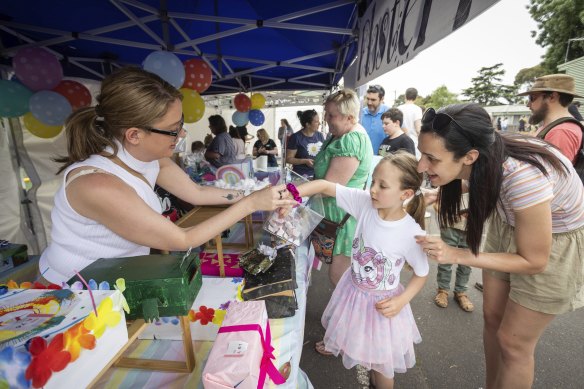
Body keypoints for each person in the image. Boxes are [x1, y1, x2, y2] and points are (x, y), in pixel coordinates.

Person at [39, 67, 296, 284]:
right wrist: (252, 204)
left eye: (181, 124)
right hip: (74, 289)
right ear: (134, 135)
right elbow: (182, 239)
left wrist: (259, 195)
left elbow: (197, 193)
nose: (183, 134)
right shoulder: (96, 185)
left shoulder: (150, 160)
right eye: (174, 130)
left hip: (114, 277)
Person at [415, 103, 584, 388]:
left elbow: (534, 261)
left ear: (469, 155)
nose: (421, 166)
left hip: (553, 243)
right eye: (422, 154)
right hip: (509, 223)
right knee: (492, 318)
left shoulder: (522, 176)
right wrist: (436, 192)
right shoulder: (488, 155)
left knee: (514, 344)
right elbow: (484, 175)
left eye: (431, 158)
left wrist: (457, 254)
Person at [296, 151, 428, 389]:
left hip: (383, 308)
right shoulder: (365, 204)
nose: (373, 190)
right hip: (354, 293)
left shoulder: (411, 232)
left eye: (382, 185)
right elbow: (326, 185)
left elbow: (422, 273)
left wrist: (402, 300)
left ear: (405, 194)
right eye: (372, 181)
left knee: (382, 366)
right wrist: (292, 193)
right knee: (363, 349)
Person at [312, 88, 372, 354]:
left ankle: (344, 340)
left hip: (346, 223)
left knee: (342, 281)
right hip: (339, 220)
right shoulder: (343, 134)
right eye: (326, 113)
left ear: (349, 116)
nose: (327, 119)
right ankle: (345, 330)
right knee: (341, 280)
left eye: (332, 115)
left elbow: (333, 185)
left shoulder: (351, 141)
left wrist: (300, 191)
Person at [519, 74, 583, 164]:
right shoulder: (552, 126)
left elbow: (555, 175)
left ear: (552, 97)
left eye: (532, 98)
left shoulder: (561, 131)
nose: (528, 104)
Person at [433, 181, 474, 312]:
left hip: (472, 228)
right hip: (450, 225)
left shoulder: (482, 179)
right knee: (446, 259)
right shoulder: (452, 179)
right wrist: (450, 212)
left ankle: (461, 292)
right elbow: (437, 203)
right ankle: (443, 290)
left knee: (466, 262)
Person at [286, 109, 325, 179]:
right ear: (307, 124)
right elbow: (288, 159)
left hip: (318, 175)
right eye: (316, 122)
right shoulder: (296, 137)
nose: (319, 124)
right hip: (300, 176)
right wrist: (305, 161)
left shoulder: (320, 135)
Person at [359, 84, 389, 153]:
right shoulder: (360, 114)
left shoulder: (390, 113)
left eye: (373, 100)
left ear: (381, 99)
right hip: (363, 157)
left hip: (382, 158)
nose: (369, 102)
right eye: (368, 99)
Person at [398, 87, 423, 156]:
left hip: (399, 141)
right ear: (416, 97)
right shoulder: (417, 109)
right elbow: (418, 129)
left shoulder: (398, 108)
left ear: (405, 96)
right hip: (413, 142)